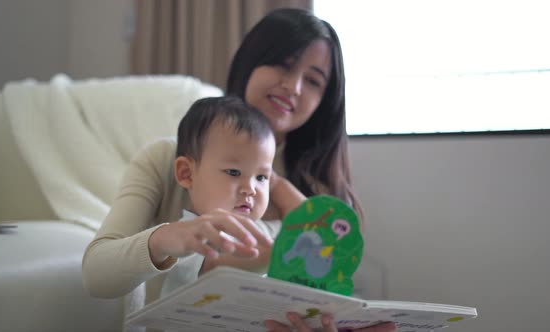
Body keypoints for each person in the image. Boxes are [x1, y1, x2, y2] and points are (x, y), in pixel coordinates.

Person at [83, 7, 396, 332]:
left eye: (313, 80)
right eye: (283, 65)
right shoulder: (166, 157)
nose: (294, 87)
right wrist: (167, 237)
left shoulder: (315, 202)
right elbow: (97, 274)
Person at [160, 95, 306, 296]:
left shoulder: (263, 230)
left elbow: (308, 219)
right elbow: (217, 267)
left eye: (261, 177)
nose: (251, 189)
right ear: (187, 173)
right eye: (234, 172)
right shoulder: (188, 233)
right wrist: (280, 253)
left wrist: (278, 183)